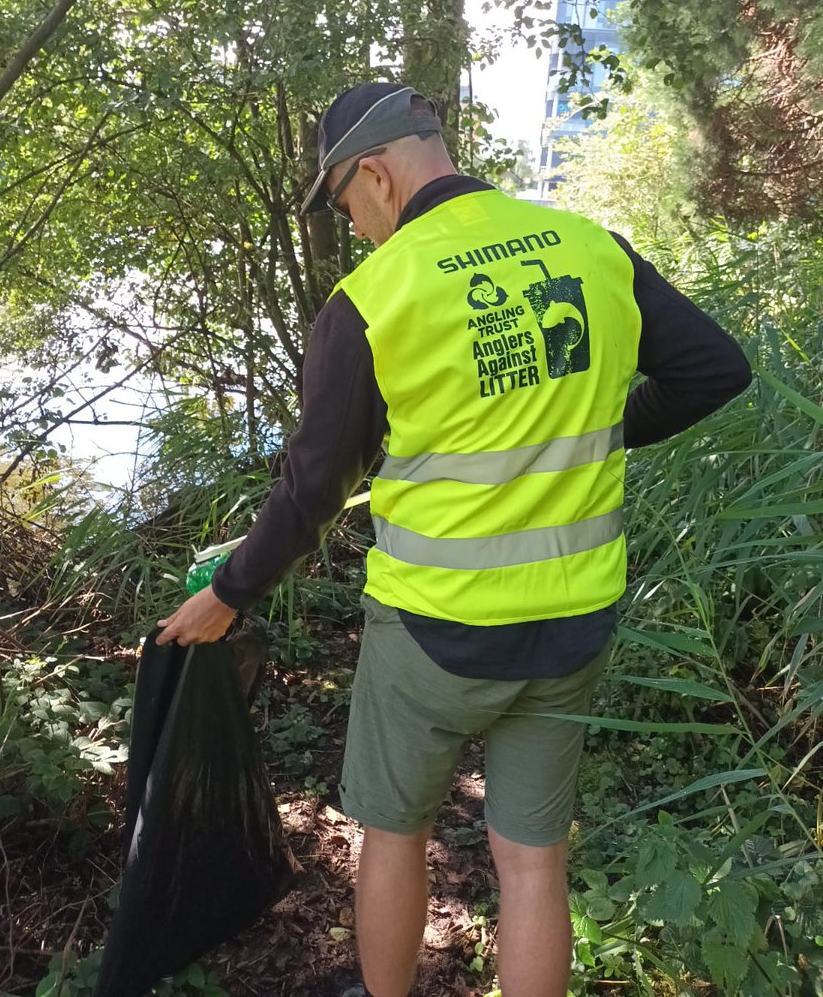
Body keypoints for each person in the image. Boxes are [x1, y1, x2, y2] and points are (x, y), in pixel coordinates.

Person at [156, 82, 751, 997]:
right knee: (532, 861)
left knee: (394, 836)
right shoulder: (592, 249)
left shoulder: (376, 298)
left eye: (346, 203)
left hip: (434, 633)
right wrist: (588, 429)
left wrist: (228, 592)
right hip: (574, 623)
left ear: (377, 174)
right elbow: (716, 367)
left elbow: (314, 489)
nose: (353, 227)